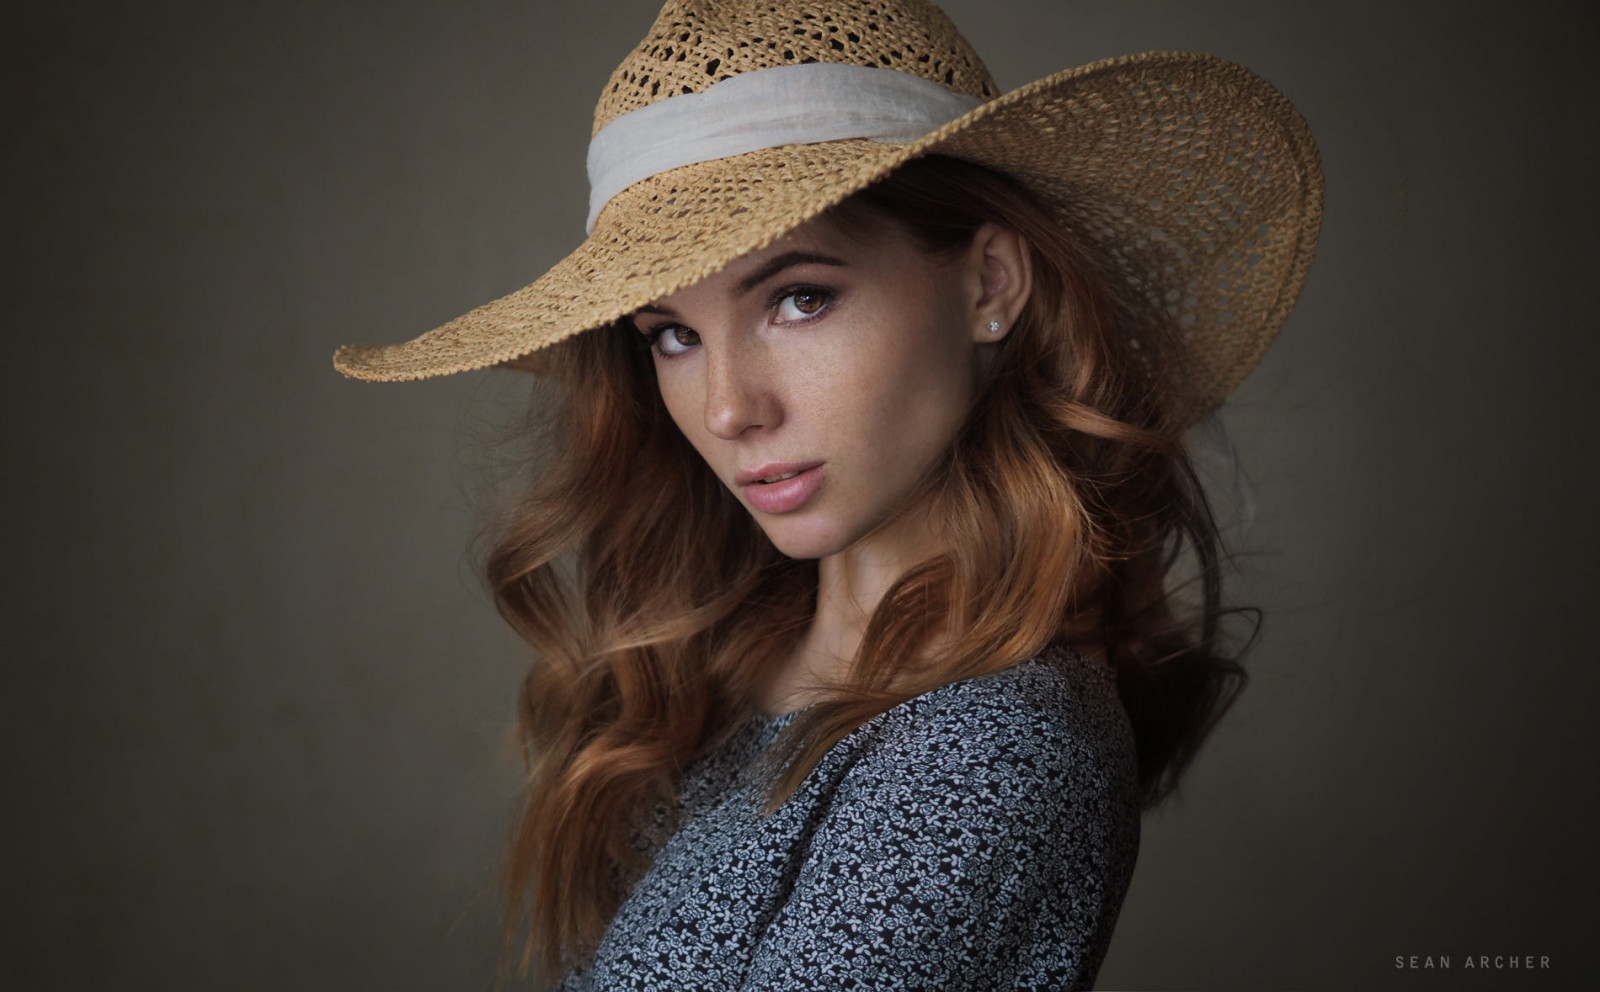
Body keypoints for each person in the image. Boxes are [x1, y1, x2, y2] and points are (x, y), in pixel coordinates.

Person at [333, 1, 1322, 988]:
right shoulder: (729, 656)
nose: (727, 407)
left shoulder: (982, 749)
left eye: (798, 296)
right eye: (670, 333)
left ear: (988, 283)